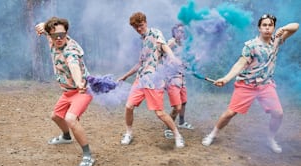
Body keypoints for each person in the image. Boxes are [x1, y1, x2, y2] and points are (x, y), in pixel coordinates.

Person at [201, 14, 299, 153]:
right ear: (259, 28)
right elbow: (240, 64)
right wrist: (226, 78)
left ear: (274, 27)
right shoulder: (251, 45)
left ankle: (270, 138)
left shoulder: (277, 40)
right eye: (264, 25)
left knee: (278, 114)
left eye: (270, 25)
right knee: (230, 113)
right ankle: (213, 134)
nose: (267, 28)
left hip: (265, 85)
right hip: (246, 85)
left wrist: (282, 29)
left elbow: (296, 26)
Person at [35, 17, 95, 166]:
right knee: (55, 116)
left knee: (70, 118)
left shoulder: (71, 50)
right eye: (55, 35)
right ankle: (66, 137)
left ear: (67, 33)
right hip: (67, 93)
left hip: (82, 91)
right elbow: (44, 27)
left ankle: (88, 156)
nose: (59, 38)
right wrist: (42, 26)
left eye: (62, 34)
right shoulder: (52, 40)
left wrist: (79, 81)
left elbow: (73, 65)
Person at [118, 12, 185, 148]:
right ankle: (128, 133)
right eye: (136, 27)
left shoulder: (155, 33)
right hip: (141, 79)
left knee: (160, 113)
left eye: (140, 25)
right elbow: (140, 63)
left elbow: (165, 47)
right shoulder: (141, 40)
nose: (139, 29)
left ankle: (178, 135)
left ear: (146, 22)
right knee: (128, 106)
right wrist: (125, 76)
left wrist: (173, 58)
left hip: (154, 80)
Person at [164, 24, 194, 139]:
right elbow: (162, 54)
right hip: (172, 78)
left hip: (181, 77)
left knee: (184, 102)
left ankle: (181, 122)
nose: (180, 33)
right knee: (177, 106)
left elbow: (183, 60)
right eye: (178, 31)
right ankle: (168, 128)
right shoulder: (171, 43)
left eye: (182, 32)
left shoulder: (183, 46)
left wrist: (187, 63)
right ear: (174, 32)